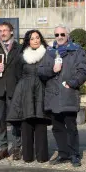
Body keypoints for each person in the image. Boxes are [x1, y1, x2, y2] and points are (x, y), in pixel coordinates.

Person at [38, 25, 86, 167]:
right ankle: (63, 153)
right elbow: (41, 71)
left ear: (67, 35)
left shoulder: (76, 50)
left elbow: (83, 71)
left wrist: (72, 83)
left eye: (62, 34)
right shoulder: (49, 51)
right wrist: (53, 70)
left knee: (71, 126)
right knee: (57, 127)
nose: (59, 37)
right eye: (56, 34)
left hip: (68, 93)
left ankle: (74, 155)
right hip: (53, 95)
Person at [7, 29, 50, 163]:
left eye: (37, 37)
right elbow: (16, 74)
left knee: (41, 124)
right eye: (32, 38)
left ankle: (42, 156)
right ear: (28, 41)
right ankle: (28, 156)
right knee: (26, 124)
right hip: (24, 91)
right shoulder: (22, 56)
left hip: (42, 91)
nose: (35, 40)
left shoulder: (47, 54)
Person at [0, 21, 21, 161]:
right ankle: (3, 148)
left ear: (11, 32)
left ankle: (18, 147)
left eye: (5, 30)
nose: (2, 33)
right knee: (0, 119)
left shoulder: (19, 48)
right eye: (0, 31)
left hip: (14, 88)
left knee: (15, 119)